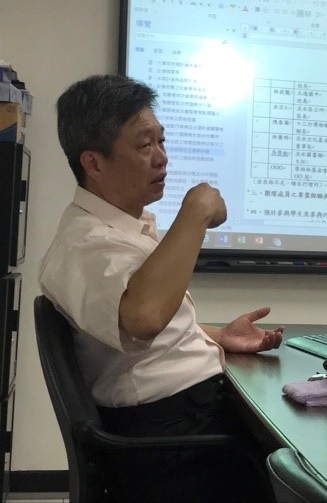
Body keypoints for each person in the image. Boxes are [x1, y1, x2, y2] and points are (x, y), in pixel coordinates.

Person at [38, 74, 284, 502]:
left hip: (188, 424)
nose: (162, 158)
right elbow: (143, 319)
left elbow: (134, 338)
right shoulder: (85, 245)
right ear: (94, 163)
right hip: (174, 446)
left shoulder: (124, 228)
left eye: (162, 141)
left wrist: (216, 335)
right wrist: (196, 209)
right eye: (144, 145)